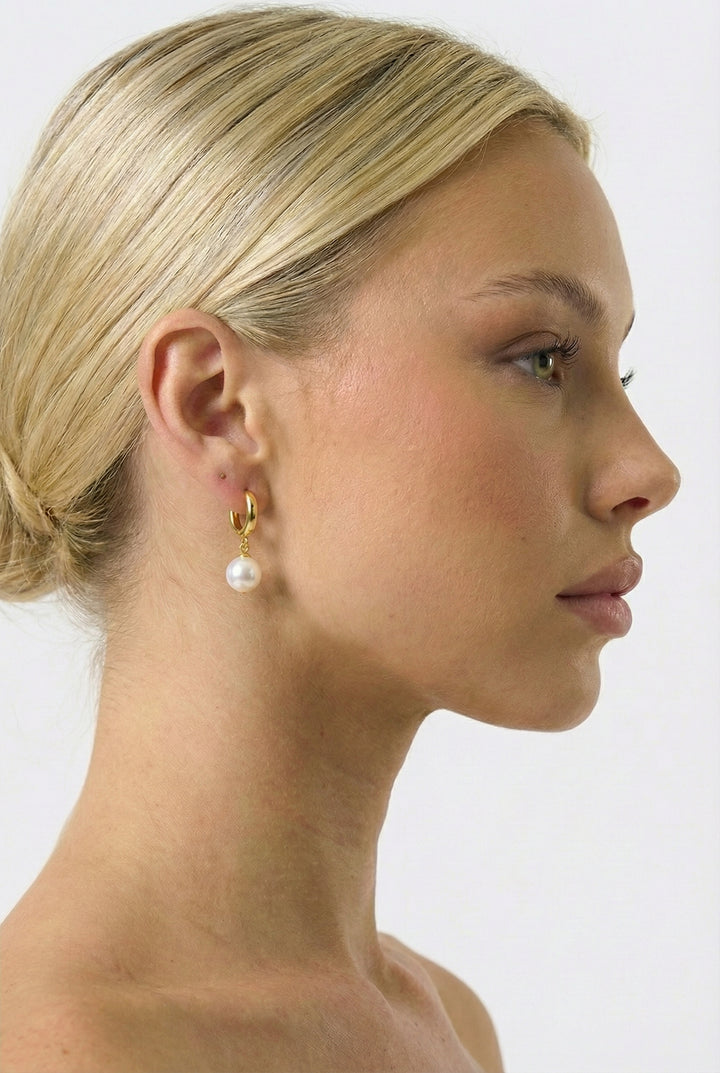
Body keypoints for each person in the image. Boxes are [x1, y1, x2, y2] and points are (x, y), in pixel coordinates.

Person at [0, 6, 680, 1072]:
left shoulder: (443, 1024)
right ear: (218, 406)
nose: (649, 470)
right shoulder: (63, 1055)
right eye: (543, 358)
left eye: (617, 373)